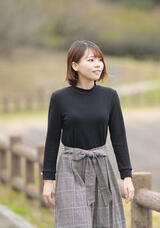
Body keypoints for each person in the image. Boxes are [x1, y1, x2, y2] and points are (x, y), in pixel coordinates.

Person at [41, 40, 135, 227]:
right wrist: (48, 180)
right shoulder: (60, 98)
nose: (98, 64)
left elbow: (119, 139)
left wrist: (127, 177)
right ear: (74, 65)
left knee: (104, 223)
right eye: (91, 60)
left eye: (100, 60)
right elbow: (52, 141)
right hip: (70, 169)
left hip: (101, 167)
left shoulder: (110, 96)